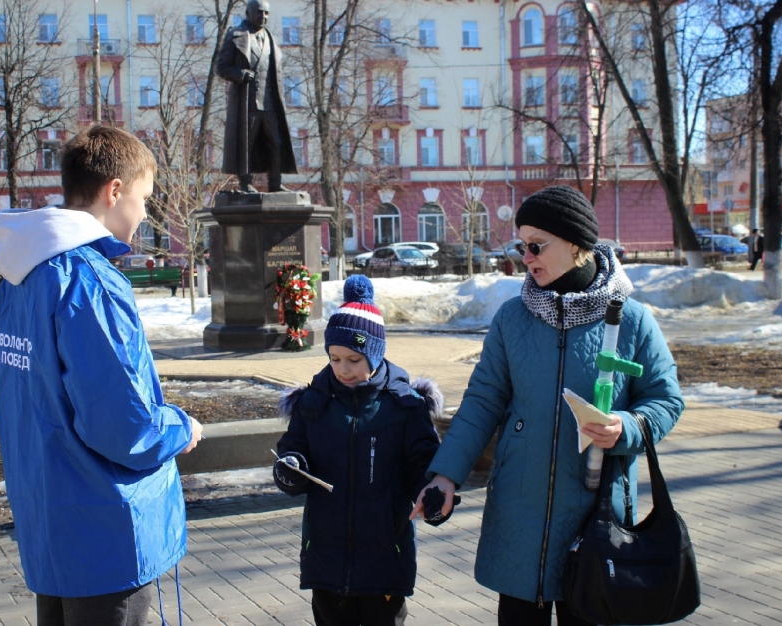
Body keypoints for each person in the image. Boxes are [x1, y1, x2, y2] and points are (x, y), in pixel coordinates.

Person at [411, 185, 684, 626]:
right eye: (521, 246)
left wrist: (626, 427)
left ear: (576, 244)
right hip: (521, 515)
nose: (526, 257)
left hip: (598, 518)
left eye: (536, 245)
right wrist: (445, 476)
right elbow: (481, 403)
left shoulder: (631, 319)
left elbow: (666, 399)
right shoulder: (512, 318)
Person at [0, 125, 204, 626]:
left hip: (51, 523)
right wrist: (181, 428)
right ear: (115, 190)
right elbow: (124, 426)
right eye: (144, 199)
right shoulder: (88, 282)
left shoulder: (19, 280)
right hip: (106, 531)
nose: (145, 214)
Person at [273, 274, 452, 626]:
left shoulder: (404, 407)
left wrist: (432, 496)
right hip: (326, 556)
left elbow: (424, 466)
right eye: (335, 358)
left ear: (375, 353)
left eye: (354, 359)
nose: (343, 369)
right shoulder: (314, 403)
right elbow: (293, 449)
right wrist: (290, 469)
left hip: (385, 557)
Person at [216, 0, 298, 193]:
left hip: (270, 103)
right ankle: (245, 183)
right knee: (247, 143)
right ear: (248, 13)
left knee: (276, 143)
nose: (263, 17)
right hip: (247, 103)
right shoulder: (235, 36)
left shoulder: (270, 39)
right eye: (259, 12)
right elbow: (221, 68)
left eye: (266, 13)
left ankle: (275, 183)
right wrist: (239, 74)